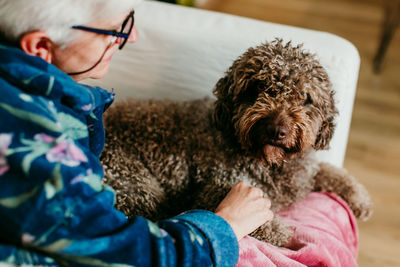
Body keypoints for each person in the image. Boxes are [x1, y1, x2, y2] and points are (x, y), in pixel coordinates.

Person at [0, 0, 273, 266]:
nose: (131, 36)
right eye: (114, 29)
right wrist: (226, 224)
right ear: (40, 46)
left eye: (128, 20)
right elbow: (129, 254)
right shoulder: (33, 141)